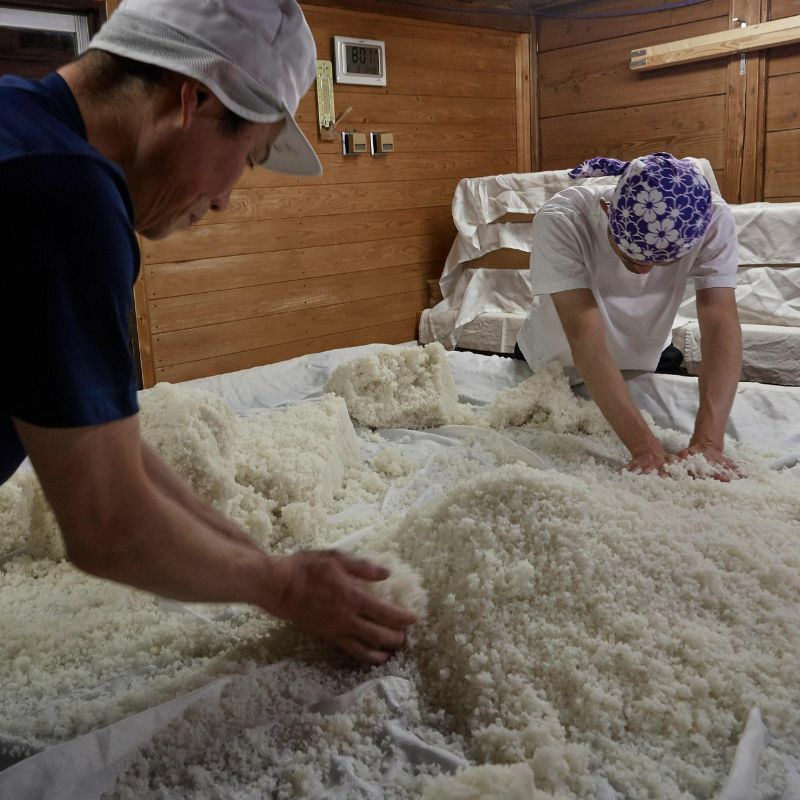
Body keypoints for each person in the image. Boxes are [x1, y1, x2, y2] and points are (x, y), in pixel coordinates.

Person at [0, 0, 415, 665]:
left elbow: (118, 458)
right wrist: (282, 587)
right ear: (193, 100)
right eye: (245, 158)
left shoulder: (18, 119)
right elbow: (107, 522)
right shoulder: (63, 193)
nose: (224, 199)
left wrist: (264, 561)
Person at [514, 153, 742, 478]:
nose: (644, 270)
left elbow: (721, 324)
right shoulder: (562, 218)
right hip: (556, 355)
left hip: (646, 349)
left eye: (659, 264)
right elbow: (585, 338)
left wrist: (709, 443)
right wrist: (644, 447)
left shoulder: (710, 217)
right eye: (631, 258)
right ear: (608, 210)